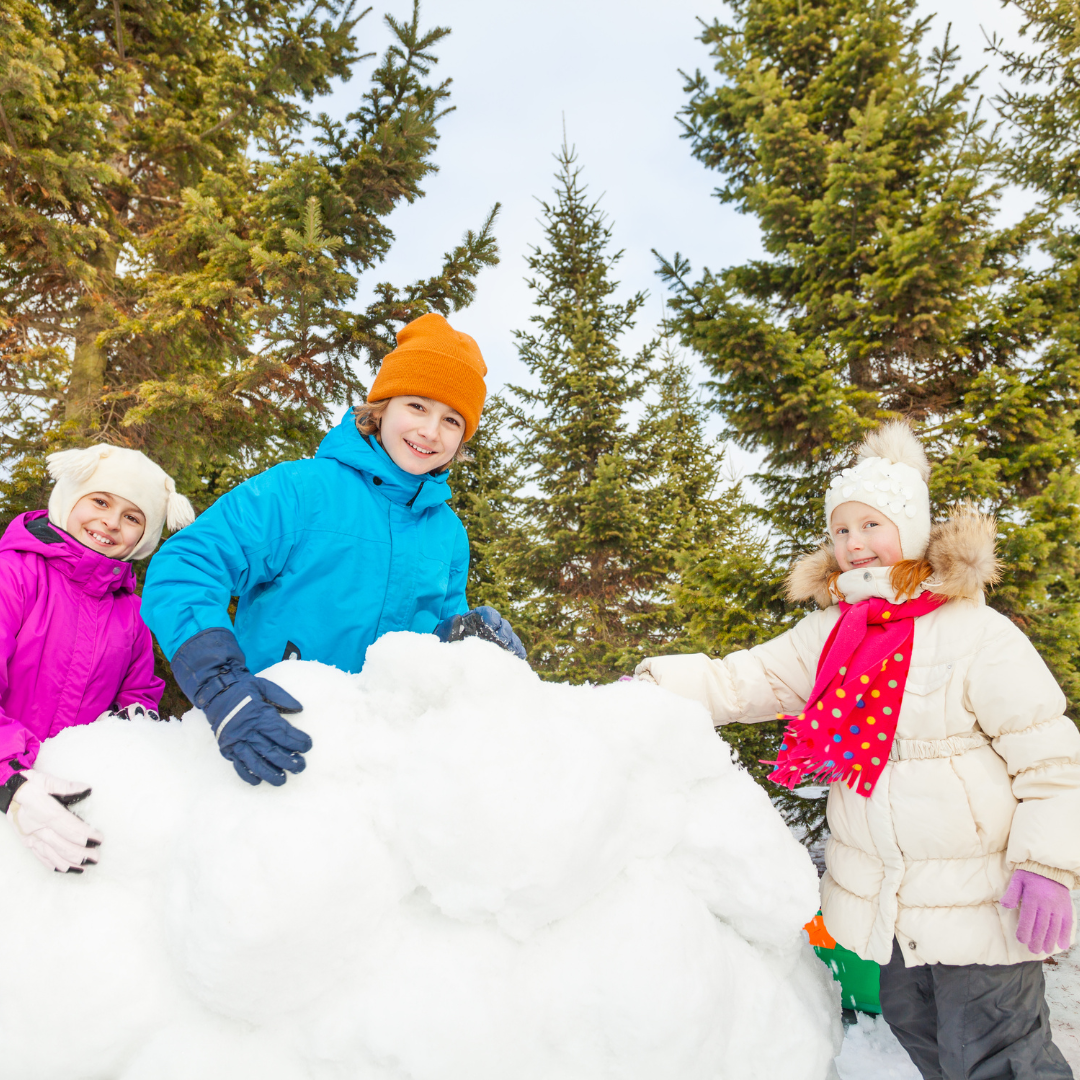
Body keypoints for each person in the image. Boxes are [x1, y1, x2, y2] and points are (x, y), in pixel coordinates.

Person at [636, 422, 1079, 1079]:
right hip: (887, 909)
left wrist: (1048, 865)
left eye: (872, 525)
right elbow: (744, 681)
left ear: (914, 530)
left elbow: (1050, 758)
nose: (855, 544)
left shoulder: (977, 633)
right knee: (925, 1039)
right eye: (842, 530)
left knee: (1000, 1057)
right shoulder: (832, 632)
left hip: (979, 903)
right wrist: (648, 685)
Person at [142, 312, 526, 789]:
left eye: (452, 419)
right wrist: (221, 685)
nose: (431, 431)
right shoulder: (301, 489)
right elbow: (186, 565)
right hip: (272, 741)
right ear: (382, 407)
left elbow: (427, 640)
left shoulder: (447, 533)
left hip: (384, 765)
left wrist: (464, 638)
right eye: (417, 406)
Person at [0, 444, 196, 873]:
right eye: (101, 501)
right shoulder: (14, 573)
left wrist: (134, 725)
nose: (110, 522)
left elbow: (138, 693)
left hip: (67, 801)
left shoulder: (131, 614)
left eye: (132, 517)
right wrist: (8, 780)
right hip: (11, 787)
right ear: (70, 498)